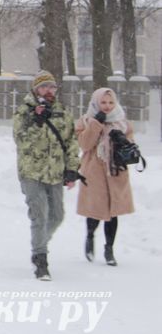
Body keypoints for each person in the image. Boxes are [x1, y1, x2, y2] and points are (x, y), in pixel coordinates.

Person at [13, 70, 81, 281]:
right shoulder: (24, 111)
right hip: (31, 172)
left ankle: (39, 242)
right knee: (39, 214)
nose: (49, 91)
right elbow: (21, 140)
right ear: (35, 89)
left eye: (52, 87)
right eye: (44, 87)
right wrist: (37, 122)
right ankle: (41, 259)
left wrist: (72, 168)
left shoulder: (62, 111)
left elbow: (71, 142)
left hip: (55, 173)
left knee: (57, 216)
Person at [75, 87, 136, 266]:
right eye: (103, 102)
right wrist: (95, 124)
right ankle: (90, 237)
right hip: (94, 171)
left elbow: (131, 144)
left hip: (116, 171)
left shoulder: (122, 122)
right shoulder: (85, 121)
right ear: (96, 102)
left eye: (110, 102)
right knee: (95, 209)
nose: (107, 106)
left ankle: (109, 249)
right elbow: (85, 145)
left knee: (113, 212)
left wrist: (122, 141)